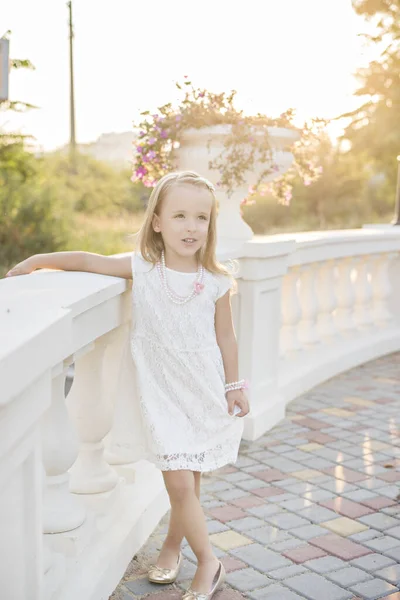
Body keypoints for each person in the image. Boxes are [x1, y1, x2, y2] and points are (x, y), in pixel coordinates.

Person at [6, 170, 250, 600]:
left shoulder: (214, 281)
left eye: (201, 218)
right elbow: (87, 260)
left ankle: (183, 551)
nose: (191, 227)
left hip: (202, 389)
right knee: (178, 481)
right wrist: (38, 260)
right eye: (179, 216)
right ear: (156, 221)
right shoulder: (144, 269)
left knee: (186, 482)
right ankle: (206, 559)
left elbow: (226, 337)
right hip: (161, 393)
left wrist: (235, 385)